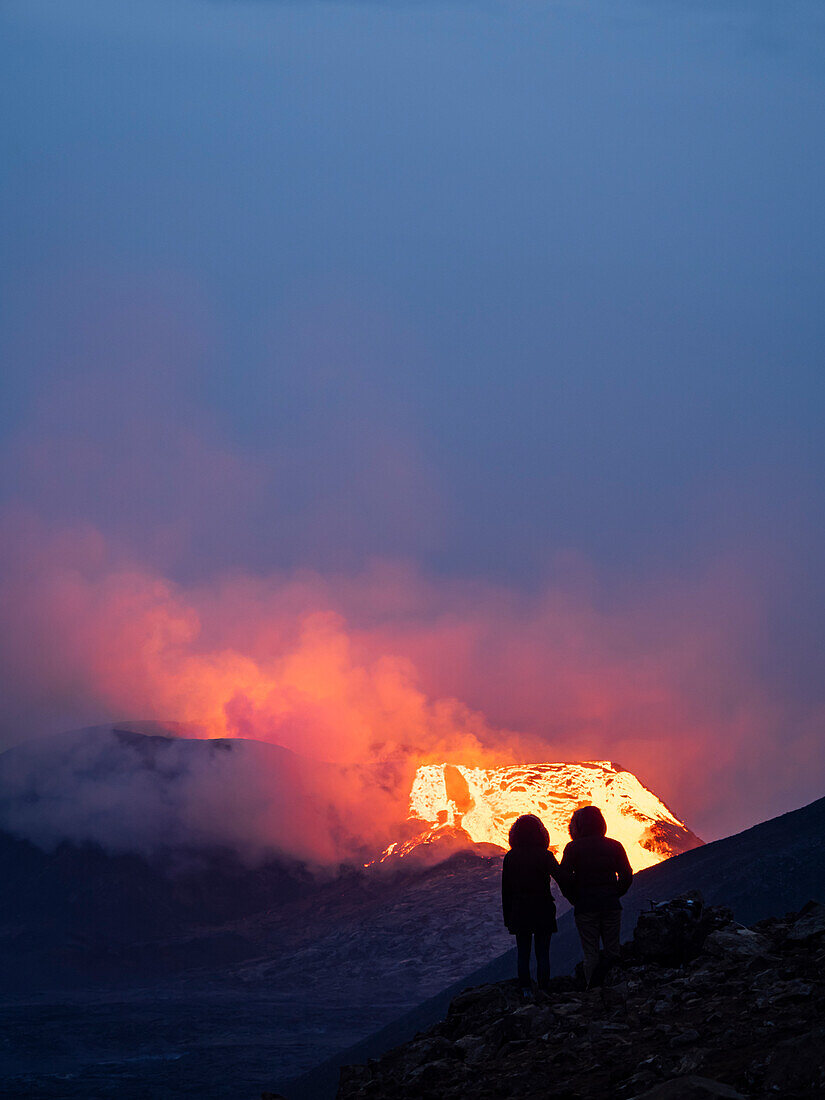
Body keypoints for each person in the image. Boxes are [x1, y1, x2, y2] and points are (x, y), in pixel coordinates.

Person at [560, 805, 633, 988]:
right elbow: (626, 874)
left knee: (590, 953)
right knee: (612, 951)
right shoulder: (614, 845)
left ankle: (591, 992)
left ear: (577, 825)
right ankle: (615, 989)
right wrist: (615, 893)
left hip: (585, 907)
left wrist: (575, 899)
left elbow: (564, 877)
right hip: (610, 905)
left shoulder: (572, 848)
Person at [501, 813, 566, 994]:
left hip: (520, 910)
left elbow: (506, 890)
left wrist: (508, 918)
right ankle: (544, 989)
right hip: (542, 908)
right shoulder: (545, 855)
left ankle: (525, 991)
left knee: (523, 953)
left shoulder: (510, 857)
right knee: (542, 953)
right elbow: (561, 877)